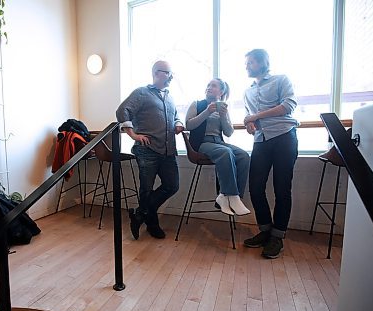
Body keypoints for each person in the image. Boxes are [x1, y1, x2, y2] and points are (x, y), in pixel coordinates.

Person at [116, 60, 184, 240]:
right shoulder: (142, 93)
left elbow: (176, 116)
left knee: (172, 185)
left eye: (171, 73)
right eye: (167, 73)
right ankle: (152, 223)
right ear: (156, 73)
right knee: (146, 188)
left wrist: (178, 123)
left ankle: (140, 213)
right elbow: (123, 111)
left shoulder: (169, 97)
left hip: (168, 150)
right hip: (147, 149)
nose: (171, 76)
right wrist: (133, 135)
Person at [242, 49, 299, 259]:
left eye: (250, 63)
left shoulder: (280, 80)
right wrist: (250, 123)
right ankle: (265, 231)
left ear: (262, 62)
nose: (247, 66)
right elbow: (250, 119)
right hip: (261, 141)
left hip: (284, 136)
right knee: (256, 188)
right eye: (246, 63)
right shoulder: (247, 91)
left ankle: (278, 236)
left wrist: (255, 116)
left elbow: (288, 106)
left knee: (282, 188)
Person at [185, 78, 251, 216]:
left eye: (213, 86)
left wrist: (223, 116)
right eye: (208, 85)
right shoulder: (197, 104)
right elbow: (189, 125)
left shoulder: (223, 108)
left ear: (221, 92)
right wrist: (207, 112)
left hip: (218, 142)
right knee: (225, 152)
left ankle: (230, 197)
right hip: (201, 143)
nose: (209, 87)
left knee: (243, 156)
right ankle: (230, 195)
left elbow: (229, 132)